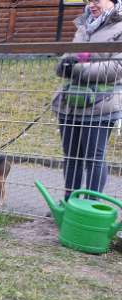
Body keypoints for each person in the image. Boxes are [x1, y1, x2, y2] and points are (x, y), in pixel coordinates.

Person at [52, 0, 122, 200]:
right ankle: (69, 203)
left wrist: (77, 69)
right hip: (71, 103)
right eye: (88, 0)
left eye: (97, 0)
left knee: (93, 158)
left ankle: (90, 206)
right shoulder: (83, 26)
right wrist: (63, 64)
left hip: (101, 104)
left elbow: (117, 67)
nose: (92, 4)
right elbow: (67, 58)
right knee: (71, 158)